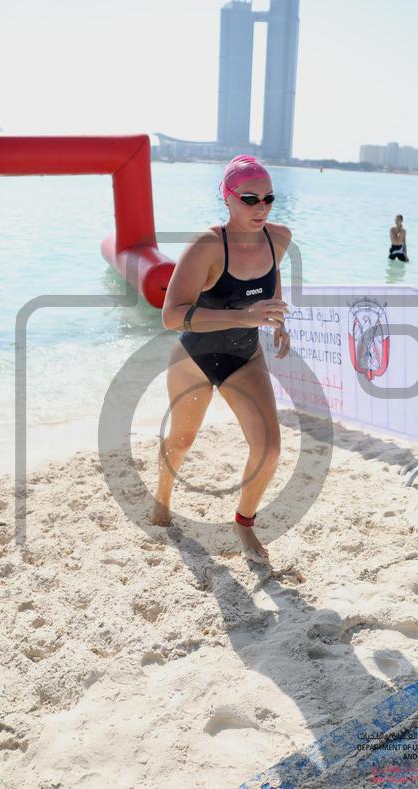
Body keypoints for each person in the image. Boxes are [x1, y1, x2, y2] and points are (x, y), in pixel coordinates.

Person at [152, 155, 292, 564]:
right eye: (250, 199)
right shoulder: (207, 245)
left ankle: (243, 523)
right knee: (182, 440)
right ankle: (162, 495)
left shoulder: (279, 238)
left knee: (269, 448)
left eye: (269, 198)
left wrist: (277, 318)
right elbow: (171, 315)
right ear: (227, 198)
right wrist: (245, 316)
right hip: (195, 357)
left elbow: (272, 277)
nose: (261, 207)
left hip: (244, 357)